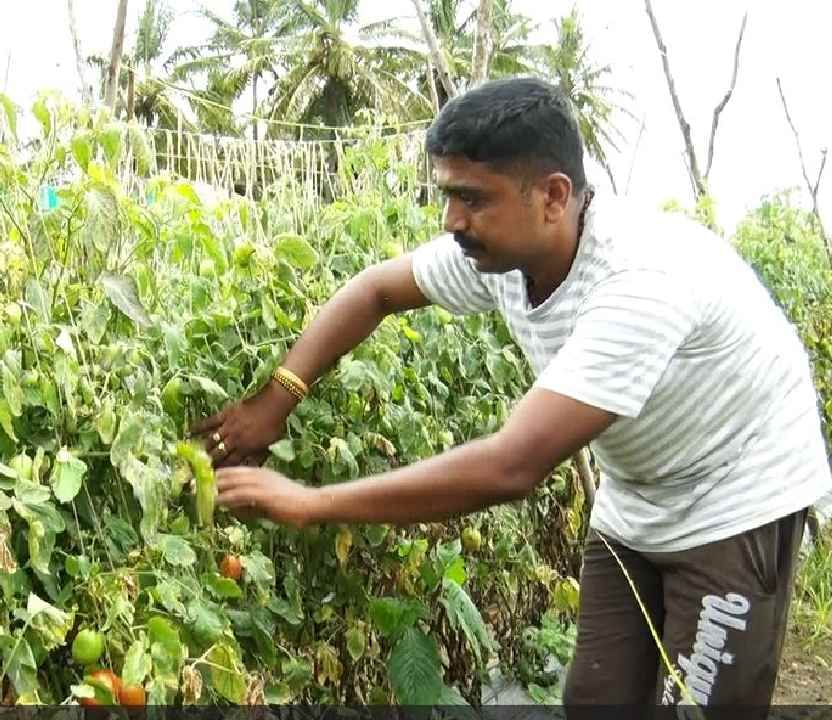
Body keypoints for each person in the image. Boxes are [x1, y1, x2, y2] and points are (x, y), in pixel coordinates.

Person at [192, 76, 832, 711]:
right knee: (596, 701)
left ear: (554, 196)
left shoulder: (638, 284)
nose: (452, 220)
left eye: (472, 198)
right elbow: (375, 291)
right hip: (638, 496)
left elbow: (511, 466)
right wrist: (275, 401)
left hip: (735, 497)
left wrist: (313, 504)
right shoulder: (501, 254)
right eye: (447, 195)